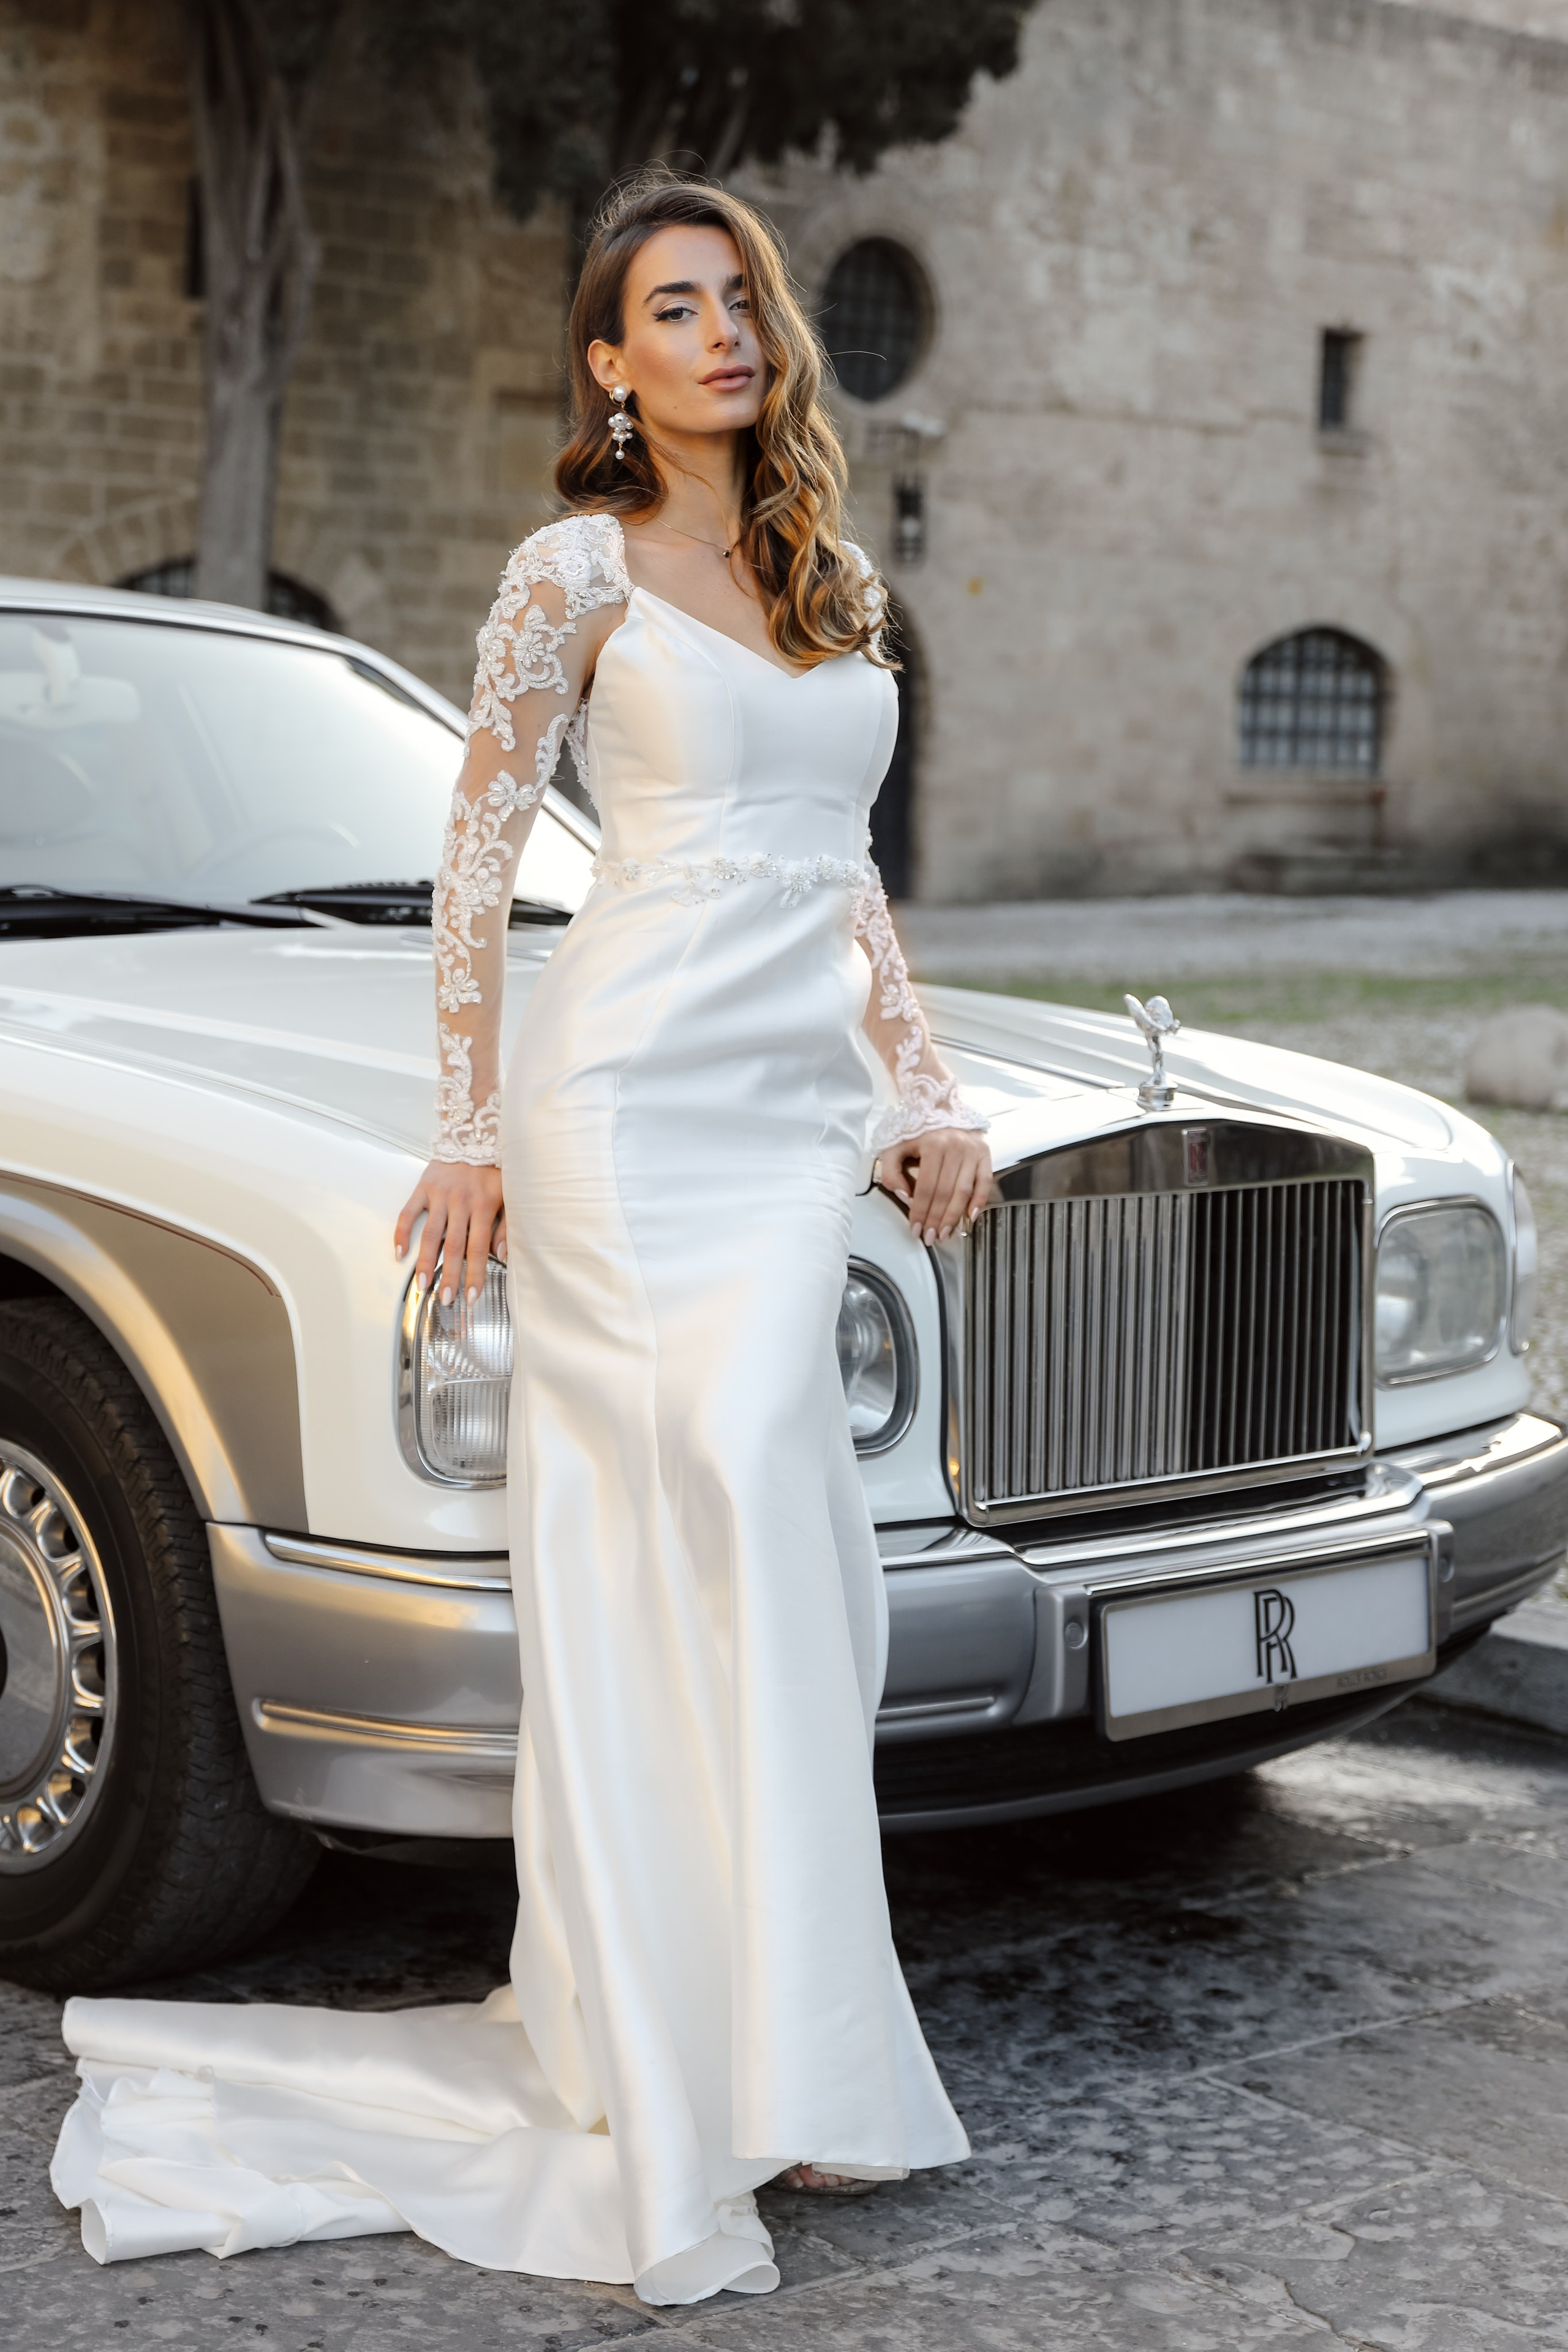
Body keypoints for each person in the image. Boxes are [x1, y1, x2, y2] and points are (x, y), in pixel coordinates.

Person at [50, 172, 992, 2306]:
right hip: (630, 1109)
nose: (723, 331)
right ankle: (673, 2067)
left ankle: (796, 2060)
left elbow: (844, 875)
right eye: (676, 306)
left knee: (798, 1569)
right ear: (610, 363)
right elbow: (477, 862)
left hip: (789, 1128)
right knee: (693, 1538)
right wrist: (469, 1133)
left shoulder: (825, 570)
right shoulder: (573, 568)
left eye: (740, 298)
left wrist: (923, 1091)